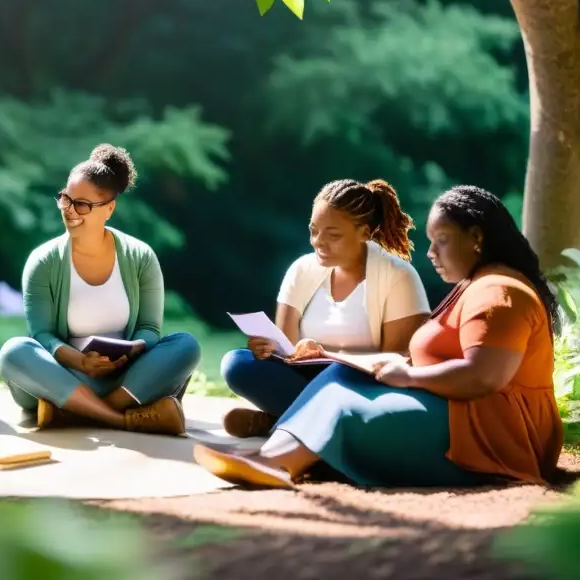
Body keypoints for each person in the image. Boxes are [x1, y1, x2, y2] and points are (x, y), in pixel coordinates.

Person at [195, 185, 564, 489]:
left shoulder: (499, 293)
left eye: (442, 241)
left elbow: (483, 376)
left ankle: (277, 460)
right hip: (455, 411)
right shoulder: (479, 285)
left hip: (490, 436)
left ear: (477, 239)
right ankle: (274, 455)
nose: (431, 253)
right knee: (338, 377)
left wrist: (407, 375)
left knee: (343, 406)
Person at [0, 144, 201, 435]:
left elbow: (148, 328)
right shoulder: (43, 261)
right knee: (14, 351)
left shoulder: (140, 257)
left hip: (127, 375)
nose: (69, 211)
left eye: (82, 204)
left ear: (109, 208)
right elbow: (42, 335)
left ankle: (75, 413)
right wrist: (79, 360)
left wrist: (128, 355)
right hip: (65, 376)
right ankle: (122, 417)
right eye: (66, 199)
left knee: (186, 345)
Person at [220, 179, 430, 437]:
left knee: (338, 379)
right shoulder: (301, 270)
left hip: (362, 390)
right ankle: (306, 425)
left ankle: (282, 421)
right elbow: (286, 352)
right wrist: (268, 350)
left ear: (364, 233)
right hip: (306, 383)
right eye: (314, 230)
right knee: (237, 364)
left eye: (333, 235)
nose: (318, 242)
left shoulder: (399, 277)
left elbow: (399, 364)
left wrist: (327, 355)